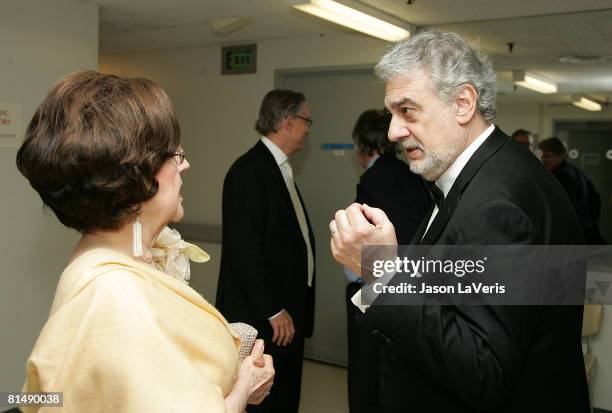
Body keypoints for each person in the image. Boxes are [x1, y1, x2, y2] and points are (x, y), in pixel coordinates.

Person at [329, 30, 589, 412]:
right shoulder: (484, 175)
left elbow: (483, 371)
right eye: (392, 114)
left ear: (463, 103)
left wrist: (381, 270)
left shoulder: (497, 204)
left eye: (408, 110)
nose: (393, 131)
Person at [16, 70, 274, 413]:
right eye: (175, 155)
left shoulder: (126, 262)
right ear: (138, 177)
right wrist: (242, 388)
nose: (185, 165)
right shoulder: (113, 291)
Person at [216, 89, 315, 413]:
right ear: (287, 122)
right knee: (264, 401)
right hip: (265, 319)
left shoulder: (280, 168)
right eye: (305, 120)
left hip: (287, 313)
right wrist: (272, 310)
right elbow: (245, 252)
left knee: (285, 396)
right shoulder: (248, 172)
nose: (308, 128)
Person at [345, 108, 431, 412]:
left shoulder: (374, 181)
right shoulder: (412, 174)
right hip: (417, 286)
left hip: (381, 287)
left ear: (363, 144)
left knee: (369, 375)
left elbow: (367, 246)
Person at [539, 137, 607, 244]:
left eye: (547, 156)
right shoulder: (576, 172)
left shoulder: (560, 177)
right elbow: (595, 199)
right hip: (582, 231)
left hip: (567, 235)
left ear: (560, 155)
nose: (543, 159)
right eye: (542, 155)